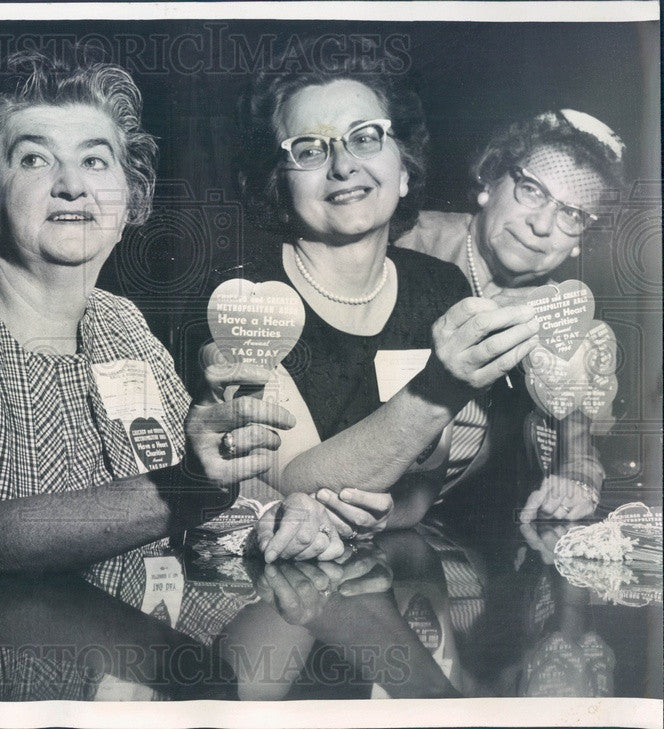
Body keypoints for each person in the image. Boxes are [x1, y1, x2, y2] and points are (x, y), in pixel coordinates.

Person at [0, 48, 341, 584]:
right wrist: (183, 489)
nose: (72, 184)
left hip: (132, 653)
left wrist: (276, 522)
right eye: (34, 159)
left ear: (129, 197)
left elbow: (203, 504)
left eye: (95, 160)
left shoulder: (124, 326)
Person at [216, 51, 542, 544]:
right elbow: (292, 480)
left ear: (404, 169)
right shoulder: (247, 301)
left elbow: (423, 481)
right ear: (278, 185)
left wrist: (393, 513)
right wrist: (439, 388)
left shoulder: (438, 286)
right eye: (309, 150)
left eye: (365, 138)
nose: (344, 166)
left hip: (387, 565)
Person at [396, 110, 625, 522]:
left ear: (581, 242)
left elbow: (576, 439)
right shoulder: (402, 244)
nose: (541, 224)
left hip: (444, 531)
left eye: (572, 215)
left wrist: (575, 480)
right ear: (491, 179)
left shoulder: (560, 312)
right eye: (532, 190)